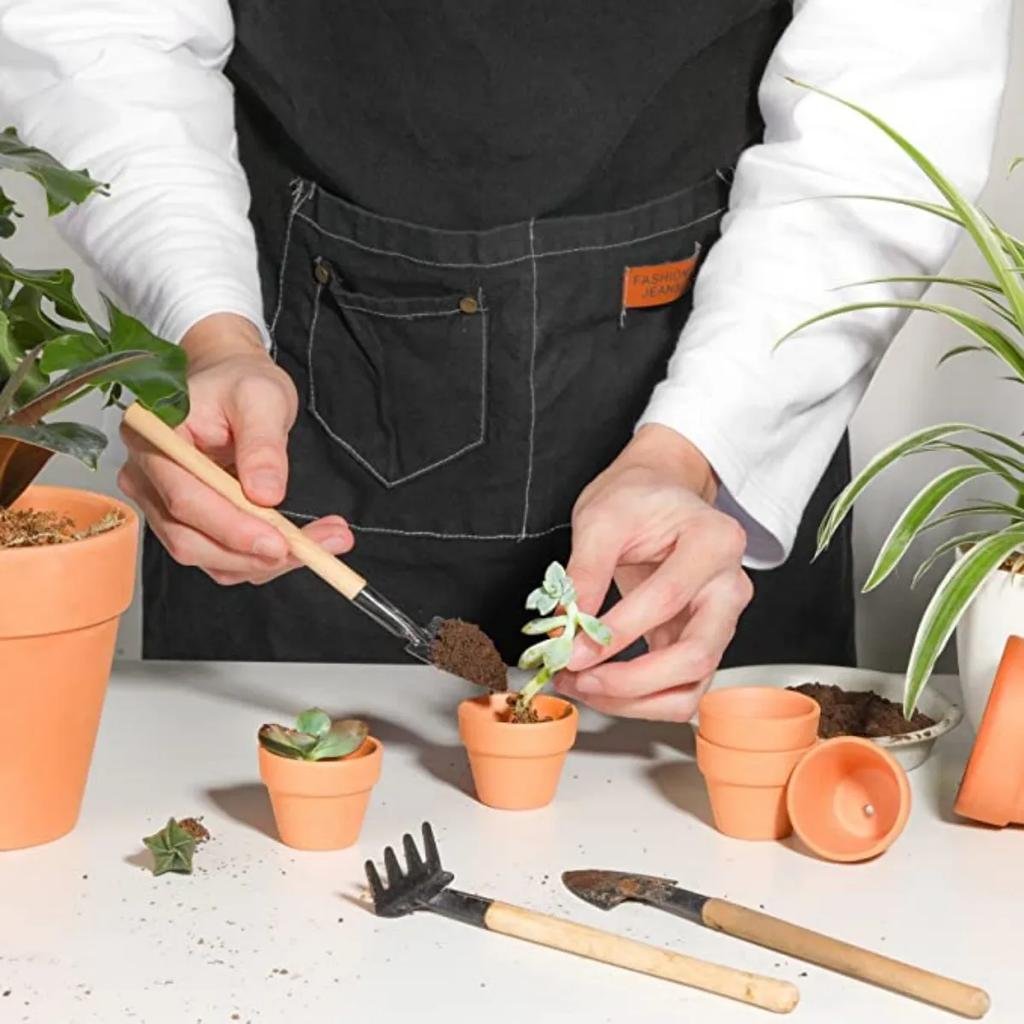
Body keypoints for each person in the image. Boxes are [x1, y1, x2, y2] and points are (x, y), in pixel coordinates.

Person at [0, 1, 1010, 720]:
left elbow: (883, 100)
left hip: (719, 412)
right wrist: (208, 331)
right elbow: (100, 32)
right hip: (302, 389)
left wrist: (694, 450)